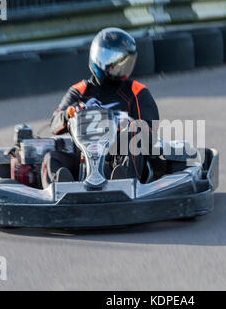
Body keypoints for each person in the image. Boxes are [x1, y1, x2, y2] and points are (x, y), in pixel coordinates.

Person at [41, 27, 159, 188]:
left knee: (135, 133)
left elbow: (150, 131)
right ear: (99, 58)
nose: (120, 68)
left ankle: (123, 185)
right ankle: (62, 191)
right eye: (116, 63)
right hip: (83, 157)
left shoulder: (136, 91)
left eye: (125, 63)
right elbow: (54, 125)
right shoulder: (79, 91)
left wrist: (126, 124)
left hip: (117, 160)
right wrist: (70, 113)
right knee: (51, 157)